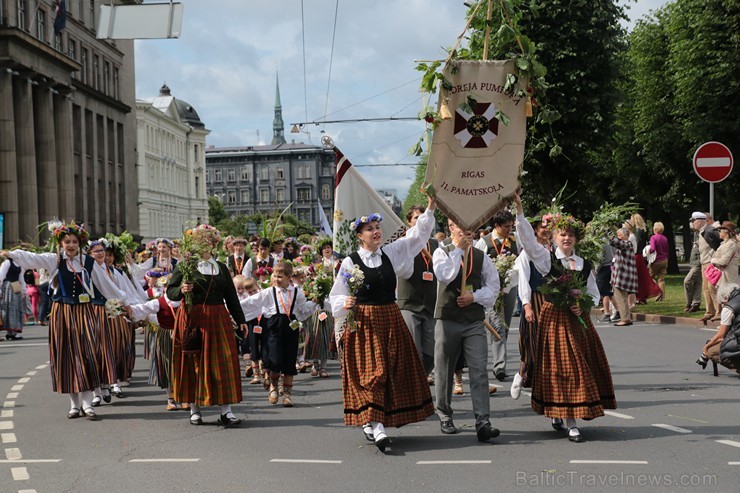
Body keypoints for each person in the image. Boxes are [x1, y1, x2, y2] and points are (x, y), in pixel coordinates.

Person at [329, 195, 437, 452]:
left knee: (392, 371)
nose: (376, 232)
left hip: (390, 318)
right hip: (364, 323)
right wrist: (344, 303)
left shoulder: (390, 252)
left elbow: (416, 237)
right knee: (374, 374)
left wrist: (431, 207)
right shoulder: (350, 261)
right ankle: (377, 428)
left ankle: (374, 420)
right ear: (359, 235)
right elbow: (336, 294)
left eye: (377, 228)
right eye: (370, 229)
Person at [1, 223, 131, 420]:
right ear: (60, 243)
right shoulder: (55, 260)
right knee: (67, 356)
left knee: (88, 354)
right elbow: (32, 258)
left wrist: (124, 302)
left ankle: (87, 404)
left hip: (84, 312)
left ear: (79, 243)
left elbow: (105, 286)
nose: (70, 245)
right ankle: (74, 404)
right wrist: (12, 254)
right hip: (62, 312)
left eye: (74, 242)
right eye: (67, 242)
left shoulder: (88, 262)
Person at [514, 193, 616, 443]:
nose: (567, 239)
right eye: (562, 235)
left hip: (578, 321)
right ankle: (568, 420)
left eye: (571, 235)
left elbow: (592, 292)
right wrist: (519, 211)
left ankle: (566, 415)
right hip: (554, 319)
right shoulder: (547, 260)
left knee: (579, 366)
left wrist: (584, 306)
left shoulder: (582, 263)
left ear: (577, 239)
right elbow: (528, 242)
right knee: (562, 368)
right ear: (554, 238)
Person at [166, 224, 249, 427]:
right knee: (194, 363)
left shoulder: (220, 267)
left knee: (223, 363)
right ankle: (195, 409)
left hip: (218, 318)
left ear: (214, 243)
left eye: (209, 240)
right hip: (193, 318)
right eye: (201, 240)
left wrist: (240, 320)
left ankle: (226, 410)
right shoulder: (186, 265)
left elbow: (231, 296)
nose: (206, 243)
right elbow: (170, 292)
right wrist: (182, 289)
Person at [433, 217, 501, 442]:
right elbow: (445, 275)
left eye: (469, 227)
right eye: (461, 226)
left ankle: (483, 421)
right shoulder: (442, 252)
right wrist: (459, 251)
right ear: (451, 228)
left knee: (479, 369)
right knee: (444, 368)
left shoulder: (481, 256)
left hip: (473, 320)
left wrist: (474, 296)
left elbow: (494, 286)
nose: (467, 230)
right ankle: (444, 414)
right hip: (448, 319)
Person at [240, 261, 317, 407]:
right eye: (275, 276)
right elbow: (252, 302)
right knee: (274, 360)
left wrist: (314, 302)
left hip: (291, 327)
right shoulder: (270, 291)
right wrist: (234, 308)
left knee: (289, 361)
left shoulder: (297, 292)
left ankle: (287, 394)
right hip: (274, 326)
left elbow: (303, 310)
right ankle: (274, 384)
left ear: (289, 278)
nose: (276, 279)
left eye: (280, 276)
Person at [475, 209, 519, 381]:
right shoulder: (484, 242)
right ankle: (499, 366)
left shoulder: (515, 240)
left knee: (505, 326)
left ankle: (499, 359)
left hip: (510, 288)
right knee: (497, 326)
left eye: (511, 226)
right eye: (506, 227)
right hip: (492, 291)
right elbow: (477, 264)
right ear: (496, 226)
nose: (509, 229)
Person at [511, 215, 551, 399]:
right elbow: (523, 280)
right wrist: (526, 305)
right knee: (531, 342)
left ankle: (548, 386)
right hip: (536, 299)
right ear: (534, 229)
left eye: (549, 226)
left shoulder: (557, 251)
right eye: (542, 226)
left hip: (554, 301)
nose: (546, 229)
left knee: (551, 345)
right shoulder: (527, 253)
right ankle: (521, 373)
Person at [397, 205, 439, 376]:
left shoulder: (436, 244)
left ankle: (420, 379)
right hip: (409, 303)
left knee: (430, 354)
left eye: (423, 217)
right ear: (409, 222)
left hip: (430, 304)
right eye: (416, 218)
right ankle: (415, 387)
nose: (421, 221)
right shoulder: (402, 243)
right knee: (414, 350)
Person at [696, 283, 739, 374]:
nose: (723, 305)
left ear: (725, 298)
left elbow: (721, 336)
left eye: (723, 303)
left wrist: (706, 348)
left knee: (712, 352)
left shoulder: (729, 308)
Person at [610, 228, 638, 326]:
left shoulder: (627, 243)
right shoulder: (627, 244)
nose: (618, 236)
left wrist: (610, 235)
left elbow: (618, 243)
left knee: (620, 298)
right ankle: (627, 318)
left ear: (625, 235)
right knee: (624, 298)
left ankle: (624, 319)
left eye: (619, 234)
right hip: (623, 276)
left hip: (622, 277)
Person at [697, 212, 722, 322]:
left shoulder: (714, 229)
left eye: (694, 221)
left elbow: (719, 245)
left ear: (707, 220)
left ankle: (718, 311)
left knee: (713, 287)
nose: (693, 224)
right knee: (706, 288)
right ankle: (709, 311)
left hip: (711, 262)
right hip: (704, 262)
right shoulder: (703, 231)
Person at [0, 257, 27, 340]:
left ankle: (12, 332)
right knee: (7, 309)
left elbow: (21, 278)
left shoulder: (20, 264)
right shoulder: (7, 262)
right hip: (8, 287)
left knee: (16, 309)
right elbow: (1, 276)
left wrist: (23, 290)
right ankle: (11, 332)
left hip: (16, 287)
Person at [710, 222, 739, 293]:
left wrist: (713, 260)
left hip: (727, 275)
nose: (718, 232)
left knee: (727, 297)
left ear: (726, 232)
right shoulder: (725, 243)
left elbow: (723, 261)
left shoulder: (731, 244)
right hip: (723, 274)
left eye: (720, 231)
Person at [683, 216, 703, 313]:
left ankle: (689, 302)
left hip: (699, 263)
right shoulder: (696, 233)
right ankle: (695, 303)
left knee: (687, 281)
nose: (692, 224)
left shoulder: (702, 233)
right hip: (694, 262)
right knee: (697, 282)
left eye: (693, 221)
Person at [648, 222, 669, 301]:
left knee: (650, 277)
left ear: (655, 229)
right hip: (664, 260)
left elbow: (652, 249)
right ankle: (662, 295)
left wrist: (647, 250)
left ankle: (656, 292)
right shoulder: (665, 238)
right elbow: (667, 250)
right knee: (661, 279)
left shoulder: (653, 238)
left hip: (656, 260)